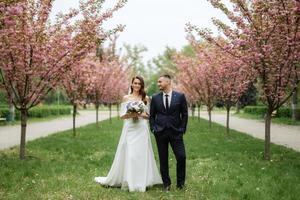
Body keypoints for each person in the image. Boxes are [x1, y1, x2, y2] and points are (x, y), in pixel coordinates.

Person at [95, 76, 162, 192]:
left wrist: (140, 113)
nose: (137, 85)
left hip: (141, 129)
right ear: (131, 84)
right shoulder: (126, 98)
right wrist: (132, 114)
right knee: (131, 155)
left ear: (142, 85)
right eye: (135, 83)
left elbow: (149, 116)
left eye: (139, 84)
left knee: (141, 155)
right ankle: (130, 181)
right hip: (130, 128)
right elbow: (122, 116)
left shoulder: (145, 98)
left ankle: (142, 181)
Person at [149, 74, 188, 191]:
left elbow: (184, 114)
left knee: (181, 157)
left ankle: (180, 184)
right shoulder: (155, 98)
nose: (158, 84)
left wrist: (182, 129)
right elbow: (152, 115)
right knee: (163, 159)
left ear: (168, 82)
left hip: (176, 132)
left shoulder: (180, 96)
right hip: (160, 132)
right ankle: (166, 184)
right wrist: (153, 128)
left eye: (160, 82)